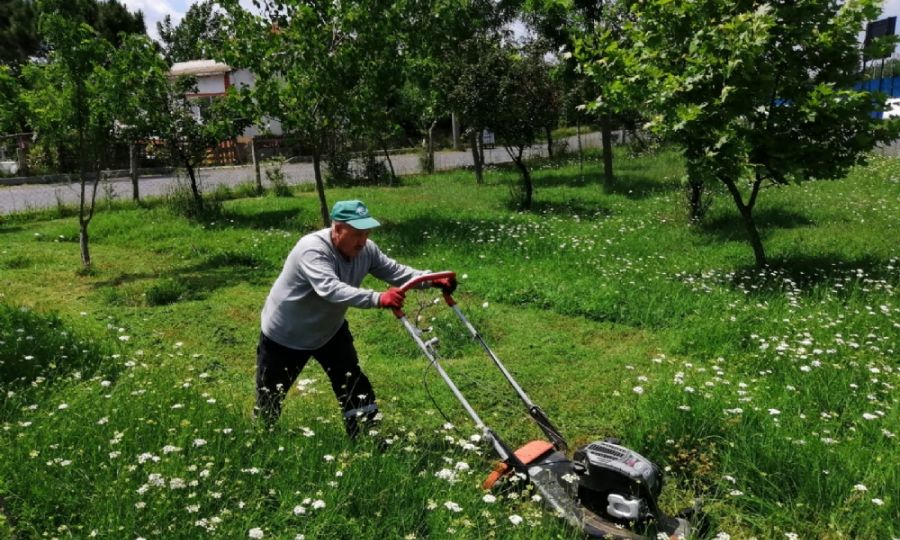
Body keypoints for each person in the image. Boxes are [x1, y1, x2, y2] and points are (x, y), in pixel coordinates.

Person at [255, 199, 456, 437]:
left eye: (367, 233)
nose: (363, 241)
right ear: (337, 229)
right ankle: (262, 439)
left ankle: (366, 436)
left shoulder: (366, 249)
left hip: (329, 331)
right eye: (357, 234)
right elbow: (330, 289)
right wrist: (378, 298)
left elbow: (394, 271)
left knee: (352, 382)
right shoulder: (312, 249)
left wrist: (430, 279)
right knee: (271, 394)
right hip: (286, 334)